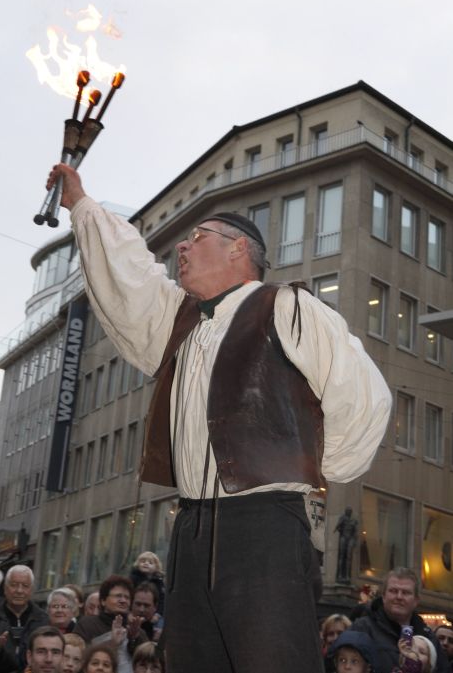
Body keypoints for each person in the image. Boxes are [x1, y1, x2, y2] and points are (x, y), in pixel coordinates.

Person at [47, 164, 392, 673]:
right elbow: (130, 280)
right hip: (191, 527)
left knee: (272, 662)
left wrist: (319, 467)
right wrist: (81, 205)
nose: (182, 247)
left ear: (238, 249)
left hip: (265, 526)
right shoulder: (180, 320)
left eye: (198, 237)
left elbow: (362, 393)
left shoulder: (286, 305)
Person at [351, 568, 448, 673]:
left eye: (406, 593)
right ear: (383, 596)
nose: (399, 597)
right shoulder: (363, 628)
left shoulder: (428, 636)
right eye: (393, 591)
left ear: (416, 600)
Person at [73, 576, 146, 659]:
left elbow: (146, 660)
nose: (123, 601)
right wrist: (112, 643)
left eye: (127, 597)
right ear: (103, 601)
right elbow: (77, 655)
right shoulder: (87, 625)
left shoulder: (137, 631)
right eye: (118, 596)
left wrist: (134, 639)